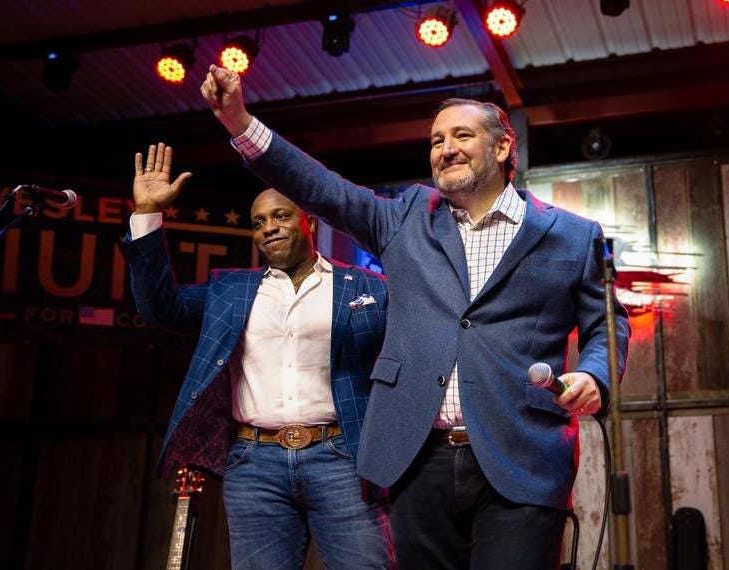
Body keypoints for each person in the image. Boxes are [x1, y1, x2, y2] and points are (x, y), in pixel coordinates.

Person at [201, 65, 630, 569]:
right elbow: (322, 189)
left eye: (461, 136)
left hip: (524, 458)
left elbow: (608, 324)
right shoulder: (405, 217)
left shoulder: (572, 235)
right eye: (436, 140)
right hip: (418, 459)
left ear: (502, 147)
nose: (445, 148)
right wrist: (241, 123)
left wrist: (595, 375)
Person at [122, 143, 394, 569]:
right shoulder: (230, 290)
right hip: (254, 464)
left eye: (280, 216)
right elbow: (161, 309)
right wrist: (147, 215)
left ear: (309, 220)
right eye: (258, 223)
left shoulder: (367, 287)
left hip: (342, 458)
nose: (269, 228)